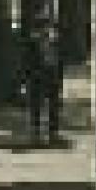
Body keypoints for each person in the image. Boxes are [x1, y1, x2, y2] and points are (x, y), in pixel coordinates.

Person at [21, 13, 66, 146]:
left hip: (52, 75)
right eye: (44, 27)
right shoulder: (32, 43)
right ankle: (36, 132)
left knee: (54, 105)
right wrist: (25, 80)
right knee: (36, 105)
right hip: (37, 77)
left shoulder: (54, 42)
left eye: (48, 27)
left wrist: (60, 77)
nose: (46, 30)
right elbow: (26, 62)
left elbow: (59, 60)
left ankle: (53, 133)